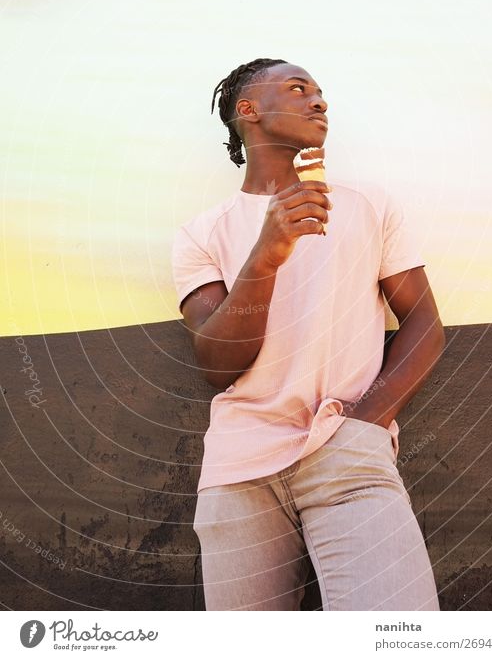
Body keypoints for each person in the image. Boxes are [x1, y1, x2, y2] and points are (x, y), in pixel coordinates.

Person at [172, 57, 445, 611]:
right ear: (247, 110)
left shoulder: (366, 203)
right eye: (298, 89)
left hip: (349, 454)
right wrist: (266, 255)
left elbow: (424, 323)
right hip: (239, 468)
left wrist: (367, 421)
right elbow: (219, 364)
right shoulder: (202, 233)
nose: (319, 102)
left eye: (321, 93)